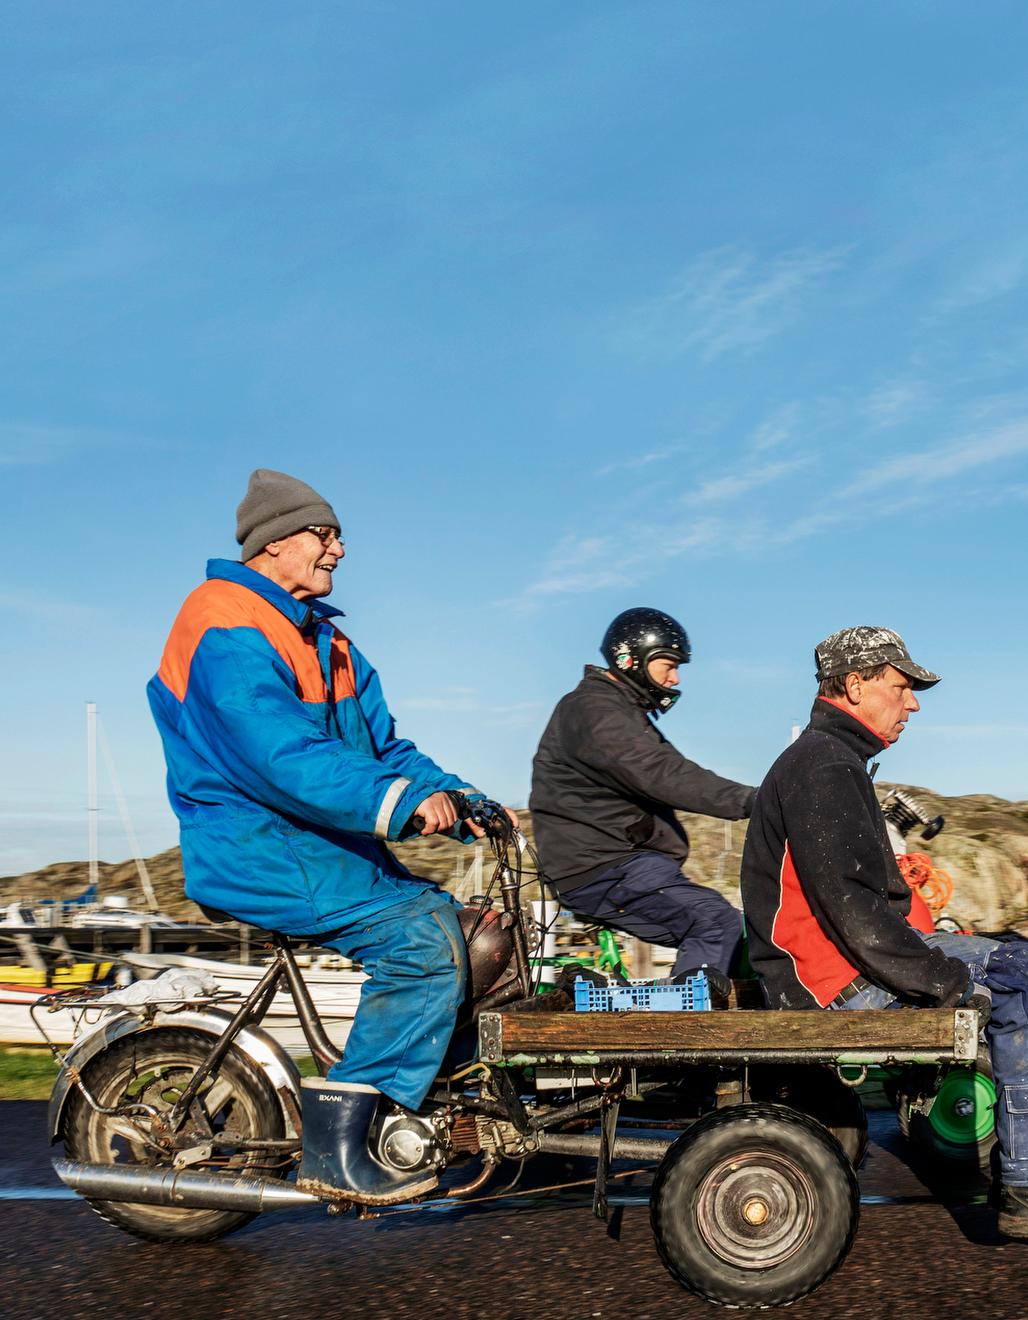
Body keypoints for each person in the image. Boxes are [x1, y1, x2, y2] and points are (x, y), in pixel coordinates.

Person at [148, 468, 511, 1204]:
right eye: (326, 533)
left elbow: (385, 748)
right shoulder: (225, 621)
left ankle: (441, 1111)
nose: (339, 549)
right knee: (420, 942)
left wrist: (459, 794)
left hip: (314, 842)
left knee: (476, 932)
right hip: (261, 841)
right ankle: (342, 1148)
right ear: (277, 541)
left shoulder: (326, 639)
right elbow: (281, 756)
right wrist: (401, 803)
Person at [741, 626, 1028, 1239]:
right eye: (901, 688)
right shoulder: (825, 767)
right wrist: (944, 982)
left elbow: (855, 900)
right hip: (832, 983)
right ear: (854, 685)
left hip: (833, 969)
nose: (914, 703)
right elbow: (855, 915)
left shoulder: (829, 762)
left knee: (1016, 957)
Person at [529, 608, 755, 991]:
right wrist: (761, 802)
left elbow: (671, 770)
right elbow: (665, 774)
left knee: (737, 931)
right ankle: (686, 1039)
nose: (676, 678)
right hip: (604, 867)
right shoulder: (596, 710)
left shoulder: (614, 709)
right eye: (667, 664)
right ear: (630, 659)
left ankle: (725, 1019)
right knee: (715, 924)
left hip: (619, 863)